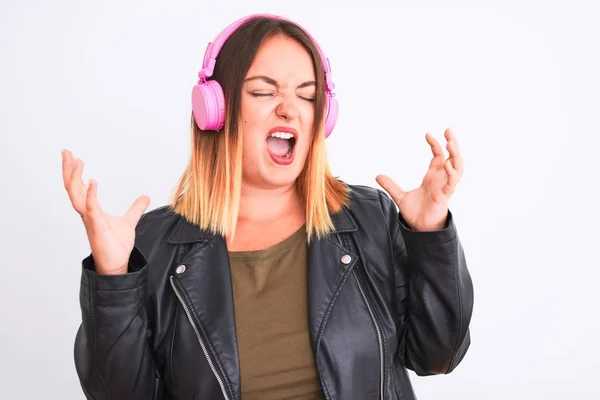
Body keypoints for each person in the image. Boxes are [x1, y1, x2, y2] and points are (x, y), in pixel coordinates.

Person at [62, 13, 474, 400]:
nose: (289, 108)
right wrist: (113, 277)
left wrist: (430, 234)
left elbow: (438, 355)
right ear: (215, 110)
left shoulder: (369, 219)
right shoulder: (154, 245)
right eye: (263, 91)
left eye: (307, 95)